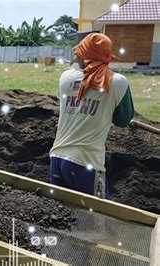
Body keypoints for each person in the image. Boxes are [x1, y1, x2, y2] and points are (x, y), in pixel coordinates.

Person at [49, 33, 134, 199]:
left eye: (79, 52)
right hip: (86, 162)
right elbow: (123, 120)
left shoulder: (65, 79)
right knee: (99, 217)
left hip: (57, 159)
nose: (76, 55)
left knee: (63, 215)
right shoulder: (117, 82)